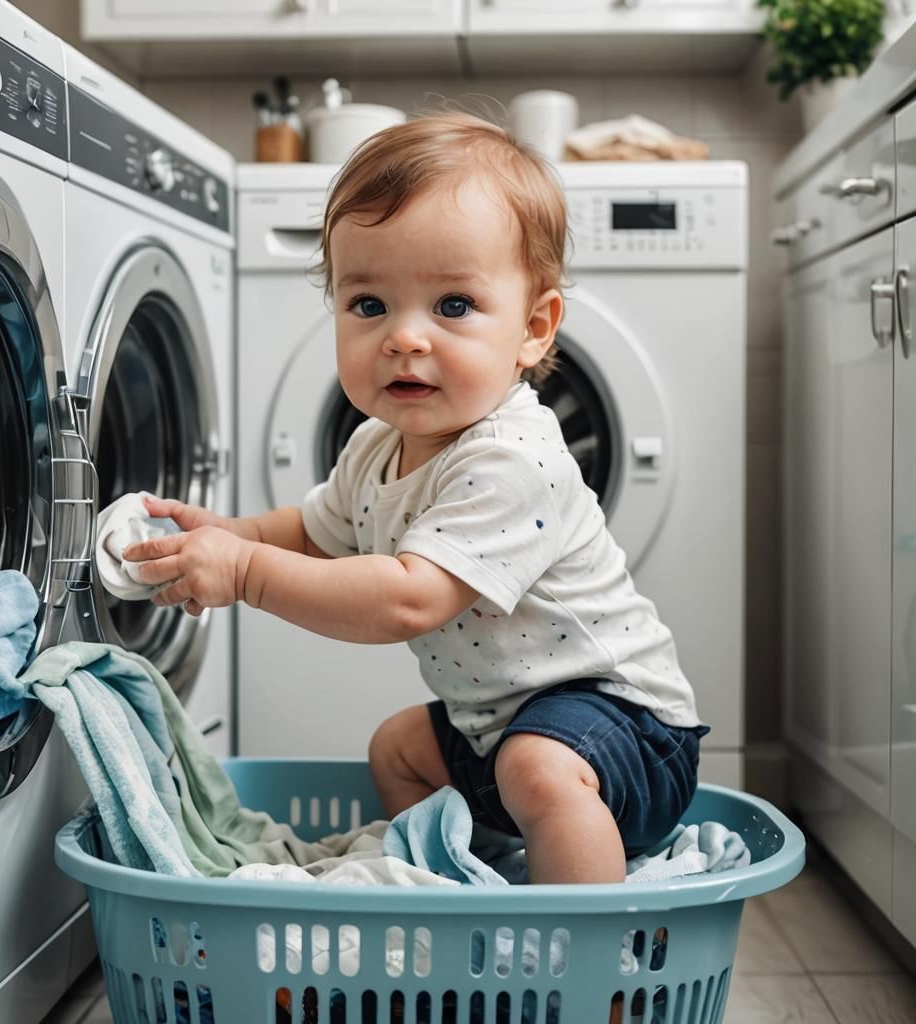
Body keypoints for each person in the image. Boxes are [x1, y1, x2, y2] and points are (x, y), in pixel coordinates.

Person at [124, 111, 709, 884]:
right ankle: (452, 888)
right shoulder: (374, 445)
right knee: (397, 750)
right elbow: (309, 531)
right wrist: (229, 533)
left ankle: (577, 967)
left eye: (454, 306)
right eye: (369, 305)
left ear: (534, 330)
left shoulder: (512, 459)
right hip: (498, 727)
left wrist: (245, 574)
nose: (405, 338)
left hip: (629, 729)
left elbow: (409, 598)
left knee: (537, 768)